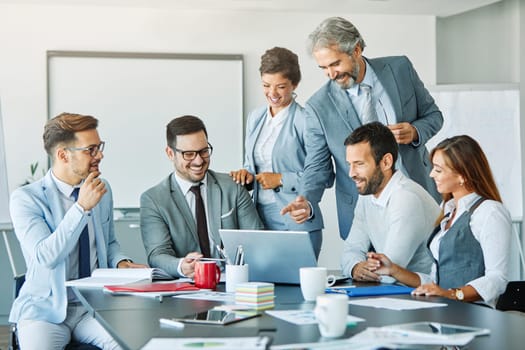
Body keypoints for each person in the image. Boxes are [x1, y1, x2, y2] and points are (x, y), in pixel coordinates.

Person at [281, 16, 443, 240]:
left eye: (336, 63)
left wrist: (415, 132)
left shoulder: (400, 69)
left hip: (418, 196)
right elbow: (318, 167)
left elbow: (434, 116)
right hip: (364, 213)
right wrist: (307, 199)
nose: (331, 74)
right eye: (324, 67)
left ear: (356, 50)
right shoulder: (318, 107)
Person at [9, 113, 145, 350]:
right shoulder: (27, 199)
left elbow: (109, 242)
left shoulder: (102, 189)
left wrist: (121, 262)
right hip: (44, 310)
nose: (100, 155)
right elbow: (45, 257)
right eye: (91, 149)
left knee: (131, 345)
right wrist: (81, 208)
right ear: (63, 155)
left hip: (91, 307)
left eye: (100, 147)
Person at [368, 135, 511, 307]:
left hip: (476, 313)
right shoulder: (448, 210)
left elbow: (497, 278)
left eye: (438, 169)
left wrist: (451, 294)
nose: (431, 174)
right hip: (446, 310)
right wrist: (393, 270)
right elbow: (437, 282)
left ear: (462, 175)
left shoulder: (490, 212)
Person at [229, 47, 329, 258]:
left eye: (280, 87)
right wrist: (246, 176)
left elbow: (323, 174)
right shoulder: (255, 118)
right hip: (258, 218)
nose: (272, 94)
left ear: (294, 84)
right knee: (261, 286)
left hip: (295, 217)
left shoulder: (305, 120)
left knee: (295, 287)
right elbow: (252, 164)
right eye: (266, 86)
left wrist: (281, 179)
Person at [140, 115, 264, 278]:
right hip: (185, 288)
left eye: (204, 151)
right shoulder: (154, 199)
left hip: (234, 282)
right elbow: (158, 255)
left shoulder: (233, 187)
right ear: (170, 153)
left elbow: (258, 241)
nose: (199, 161)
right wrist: (181, 266)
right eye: (189, 154)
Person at [340, 122, 440, 281]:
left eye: (359, 164)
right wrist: (355, 267)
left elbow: (389, 273)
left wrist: (368, 270)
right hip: (396, 293)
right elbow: (351, 250)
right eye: (349, 164)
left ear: (386, 162)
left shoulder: (406, 198)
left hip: (426, 295)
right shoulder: (367, 195)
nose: (351, 173)